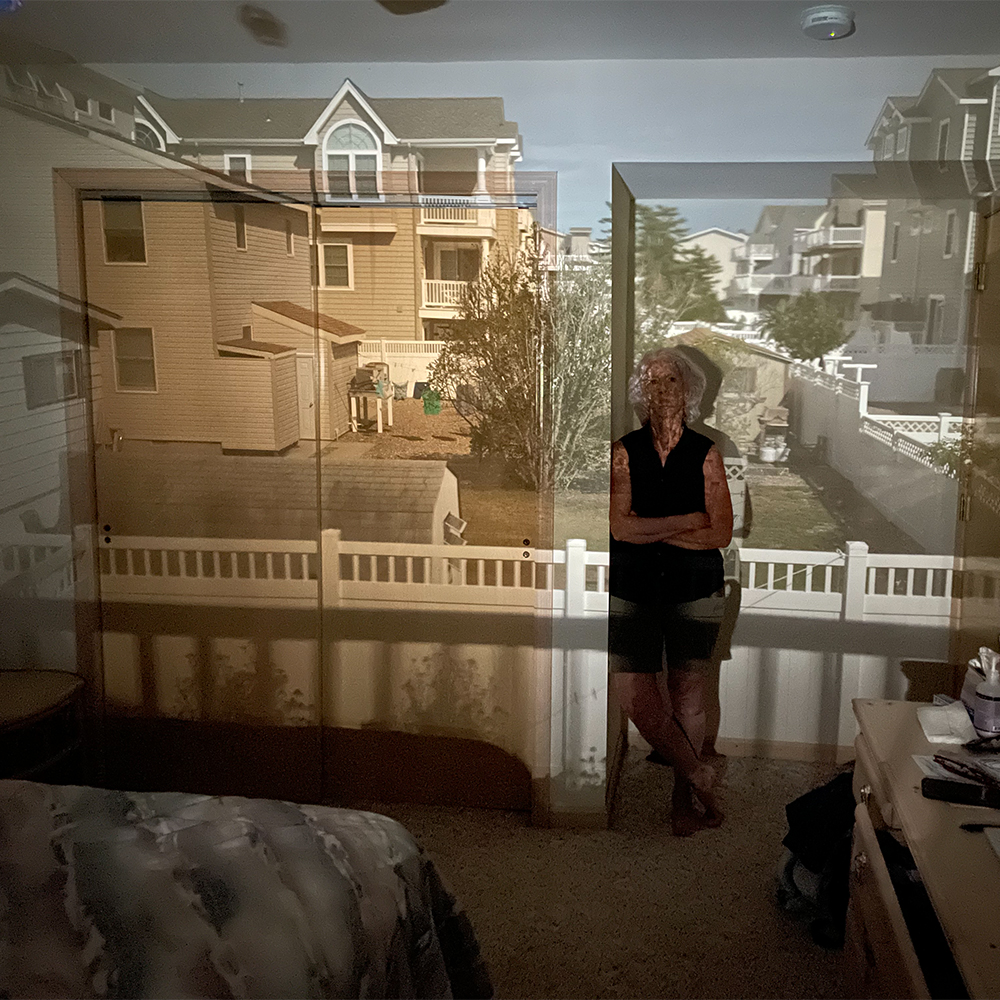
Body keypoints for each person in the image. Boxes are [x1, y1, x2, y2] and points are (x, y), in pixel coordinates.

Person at [609, 347, 734, 836]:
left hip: (695, 586)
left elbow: (720, 533)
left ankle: (683, 800)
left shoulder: (707, 454)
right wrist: (687, 521)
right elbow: (620, 528)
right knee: (634, 695)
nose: (662, 390)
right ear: (643, 391)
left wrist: (651, 528)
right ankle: (700, 772)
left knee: (688, 696)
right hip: (633, 587)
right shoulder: (625, 452)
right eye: (653, 381)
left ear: (690, 391)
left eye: (672, 381)